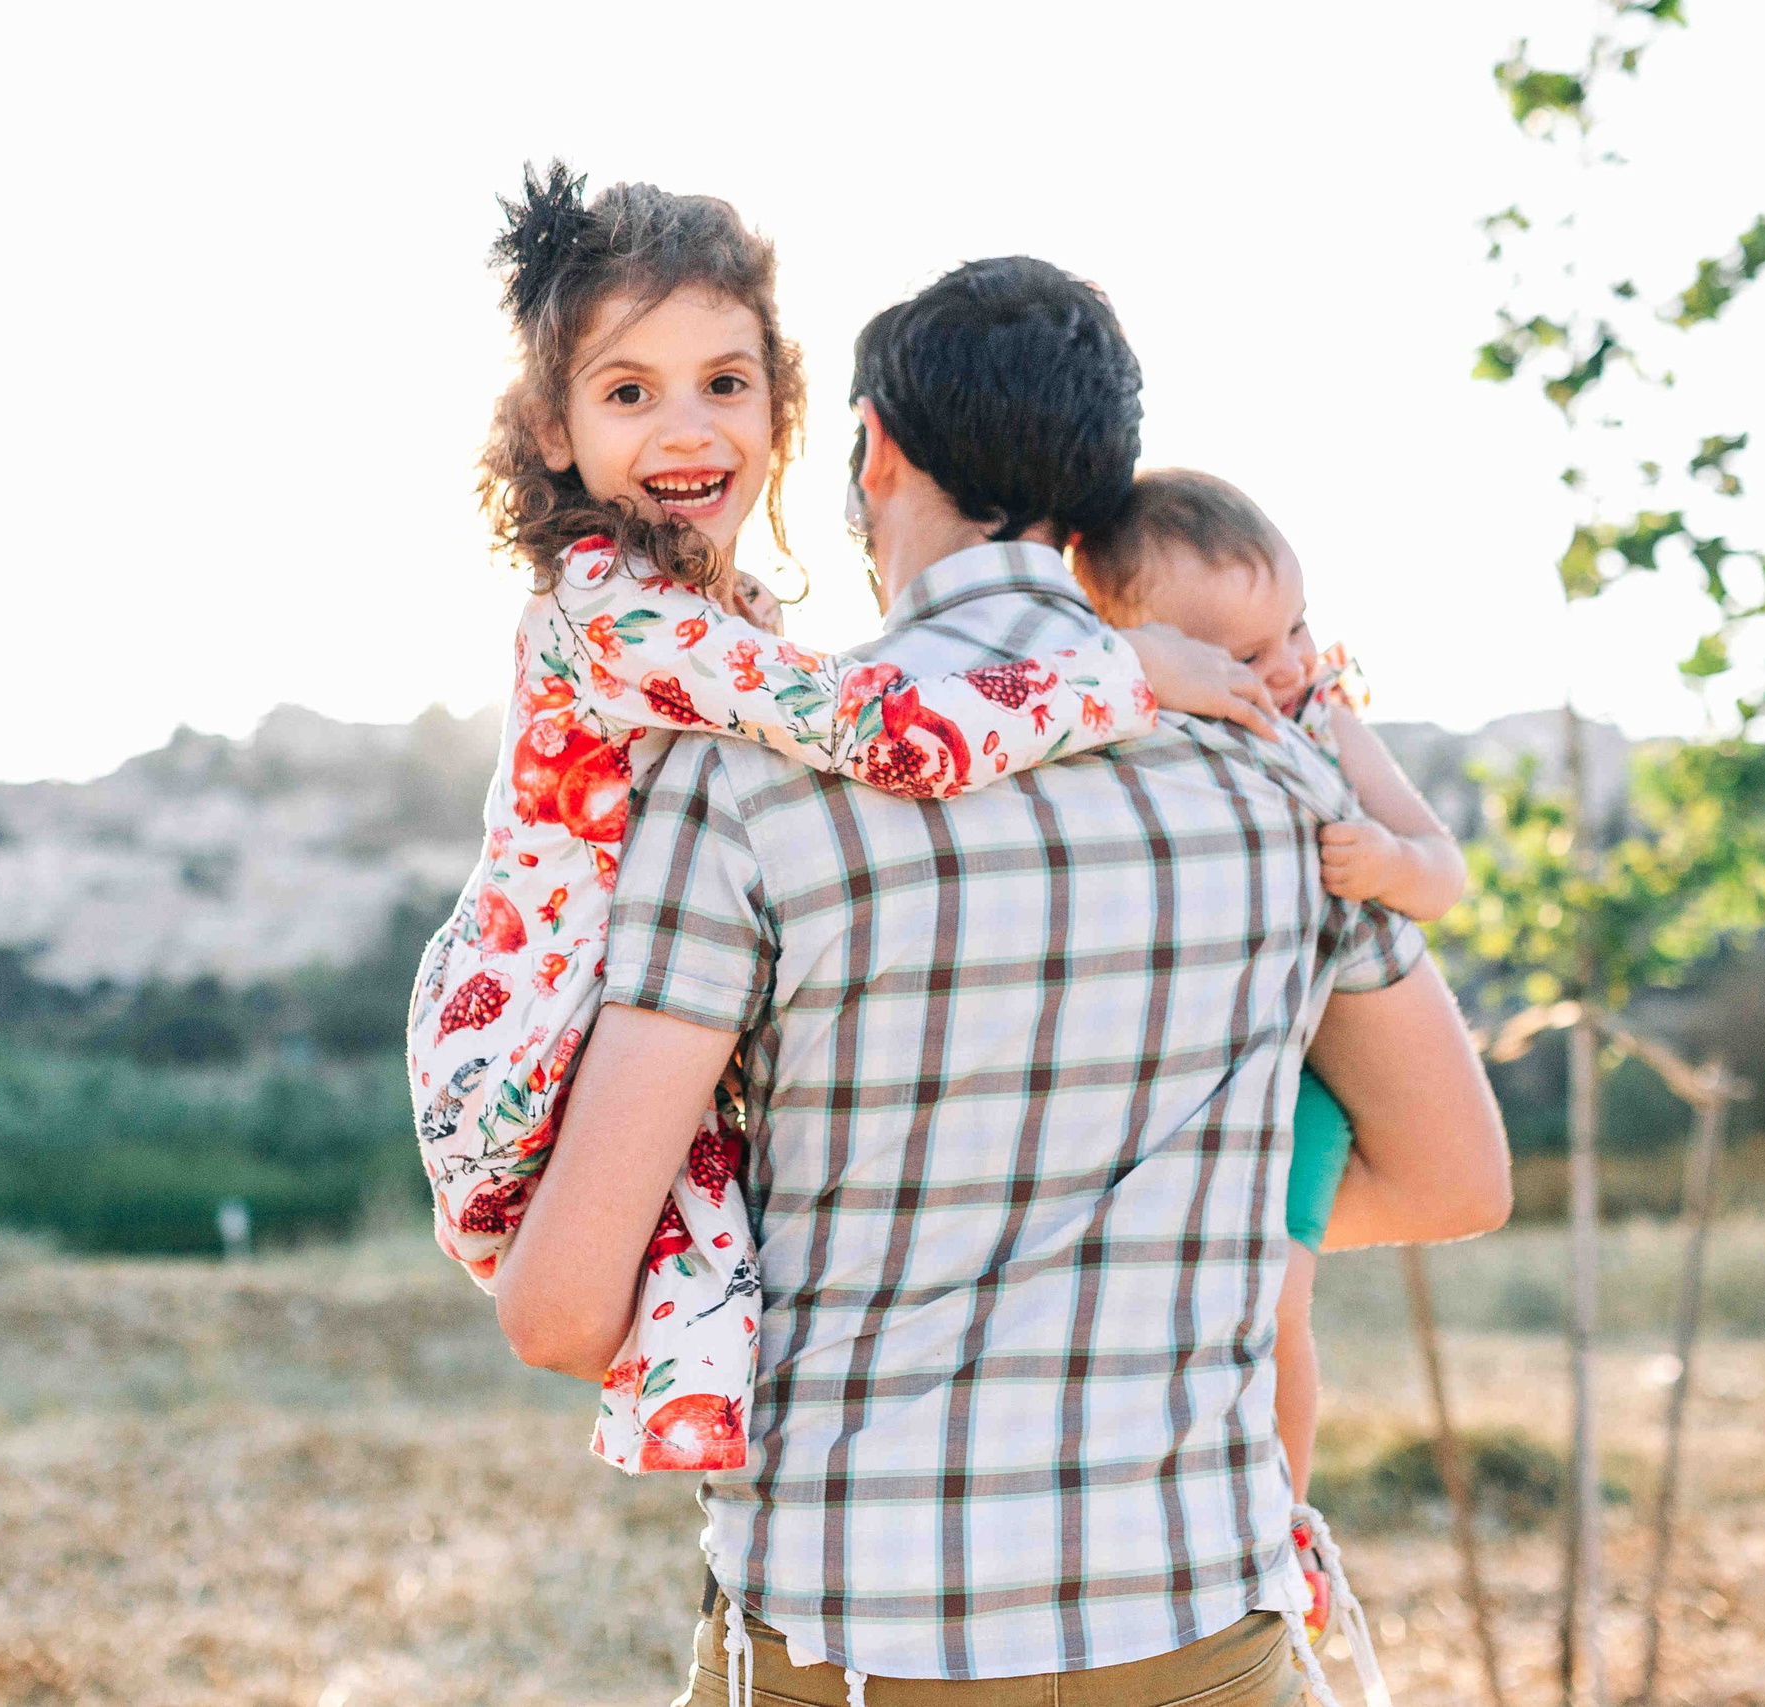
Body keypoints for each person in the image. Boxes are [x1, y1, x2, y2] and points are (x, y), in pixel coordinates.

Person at [492, 254, 1510, 1705]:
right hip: (1200, 1627)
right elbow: (1455, 1177)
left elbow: (560, 1312)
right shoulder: (1285, 783)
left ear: (877, 449)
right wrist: (1176, 1206)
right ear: (1098, 490)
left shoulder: (747, 788)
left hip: (856, 1641)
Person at [406, 164, 1279, 1475]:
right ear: (549, 427)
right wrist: (1128, 670)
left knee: (712, 1242)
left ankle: (731, 1418)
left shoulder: (707, 614)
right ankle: (718, 1410)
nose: (688, 427)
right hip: (520, 1028)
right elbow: (890, 733)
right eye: (628, 391)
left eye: (726, 382)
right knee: (665, 1259)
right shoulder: (621, 611)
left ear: (804, 414)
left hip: (575, 1003)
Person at [1070, 469, 1470, 1513]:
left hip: (1299, 1082)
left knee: (1275, 1303)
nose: (1287, 664)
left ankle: (1282, 1514)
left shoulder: (1322, 720)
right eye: (1248, 655)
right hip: (1178, 1062)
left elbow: (1442, 868)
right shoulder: (1116, 725)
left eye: (1297, 627)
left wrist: (1384, 859)